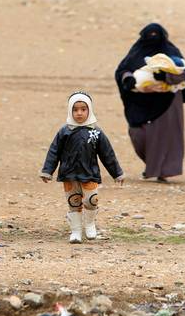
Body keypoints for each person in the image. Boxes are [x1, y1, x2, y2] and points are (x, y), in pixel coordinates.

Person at [40, 92, 124, 244]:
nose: (79, 113)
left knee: (92, 200)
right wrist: (47, 170)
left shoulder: (96, 132)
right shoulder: (65, 131)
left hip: (89, 173)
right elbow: (54, 151)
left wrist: (117, 173)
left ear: (89, 110)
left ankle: (90, 224)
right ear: (70, 111)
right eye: (75, 109)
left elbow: (107, 154)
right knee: (74, 202)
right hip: (69, 174)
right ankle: (76, 231)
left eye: (83, 109)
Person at [114, 23, 185, 182]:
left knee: (165, 137)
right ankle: (152, 164)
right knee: (138, 135)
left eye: (156, 36)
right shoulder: (135, 52)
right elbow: (122, 70)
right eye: (149, 36)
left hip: (168, 101)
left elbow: (183, 73)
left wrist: (166, 77)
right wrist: (128, 79)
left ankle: (162, 171)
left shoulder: (172, 52)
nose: (153, 39)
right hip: (140, 101)